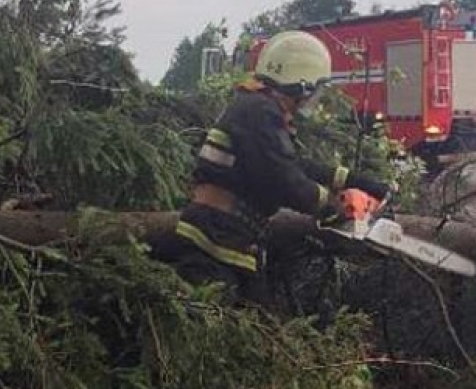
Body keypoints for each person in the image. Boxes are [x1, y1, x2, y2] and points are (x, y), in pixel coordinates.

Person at [157, 30, 391, 303]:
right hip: (216, 242)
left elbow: (288, 164)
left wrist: (354, 180)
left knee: (258, 323)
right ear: (301, 85)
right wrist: (333, 208)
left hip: (227, 237)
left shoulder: (256, 109)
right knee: (227, 324)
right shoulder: (259, 112)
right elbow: (284, 181)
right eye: (314, 90)